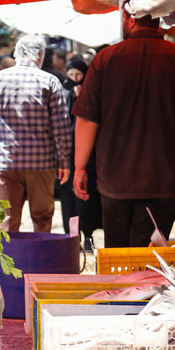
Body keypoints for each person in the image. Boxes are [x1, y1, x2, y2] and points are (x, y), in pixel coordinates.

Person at [72, 0, 175, 248]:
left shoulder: (105, 59)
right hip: (165, 181)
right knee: (151, 261)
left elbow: (86, 120)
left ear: (128, 18)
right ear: (161, 21)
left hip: (116, 180)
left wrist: (80, 167)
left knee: (118, 255)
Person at [0, 34, 71, 232]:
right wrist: (64, 161)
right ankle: (39, 262)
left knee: (8, 221)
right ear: (39, 55)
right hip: (42, 163)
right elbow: (61, 126)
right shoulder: (50, 81)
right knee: (43, 219)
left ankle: (9, 262)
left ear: (17, 53)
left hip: (8, 161)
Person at [61, 58, 101, 251]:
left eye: (79, 75)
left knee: (87, 196)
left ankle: (88, 235)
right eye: (71, 75)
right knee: (68, 199)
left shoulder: (91, 92)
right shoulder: (63, 91)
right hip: (66, 154)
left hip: (88, 155)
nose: (75, 79)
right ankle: (70, 236)